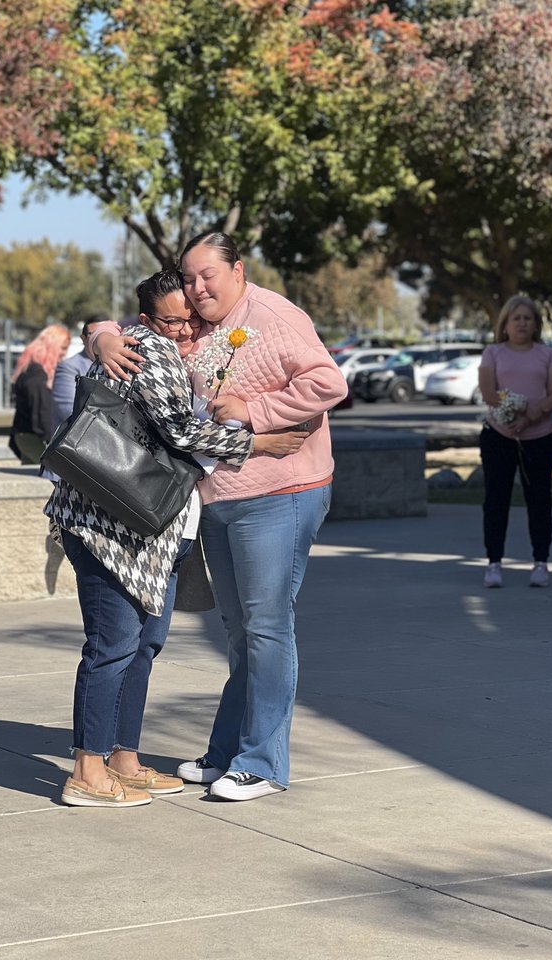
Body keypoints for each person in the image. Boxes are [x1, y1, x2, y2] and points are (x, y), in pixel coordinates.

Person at [97, 232, 349, 801]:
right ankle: (228, 752)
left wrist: (255, 411)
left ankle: (261, 763)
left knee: (266, 628)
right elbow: (124, 325)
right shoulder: (195, 321)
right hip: (219, 496)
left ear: (237, 269)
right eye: (188, 278)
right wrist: (102, 337)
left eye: (207, 275)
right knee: (239, 632)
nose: (196, 288)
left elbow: (329, 382)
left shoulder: (273, 314)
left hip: (280, 491)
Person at [49, 269, 308, 809]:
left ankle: (124, 759)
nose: (187, 328)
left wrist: (99, 331)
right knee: (112, 648)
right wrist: (260, 442)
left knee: (142, 646)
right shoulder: (151, 348)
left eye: (191, 316)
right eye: (174, 320)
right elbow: (181, 431)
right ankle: (86, 771)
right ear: (145, 320)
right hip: (110, 529)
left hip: (150, 533)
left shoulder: (162, 344)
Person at [477, 295, 552, 589]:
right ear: (505, 324)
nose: (522, 323)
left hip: (539, 438)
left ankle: (541, 563)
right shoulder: (493, 353)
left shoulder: (547, 354)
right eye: (517, 318)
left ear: (536, 324)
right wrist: (517, 409)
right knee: (496, 501)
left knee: (539, 500)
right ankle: (494, 564)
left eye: (528, 318)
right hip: (498, 436)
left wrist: (529, 417)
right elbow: (488, 391)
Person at [8, 324, 70, 464]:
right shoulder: (38, 376)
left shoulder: (29, 369)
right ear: (52, 345)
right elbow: (42, 413)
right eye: (63, 348)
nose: (64, 354)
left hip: (25, 436)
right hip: (33, 437)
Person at [51, 314, 106, 433]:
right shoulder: (69, 367)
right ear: (83, 338)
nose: (99, 338)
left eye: (105, 333)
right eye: (93, 334)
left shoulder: (115, 364)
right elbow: (68, 411)